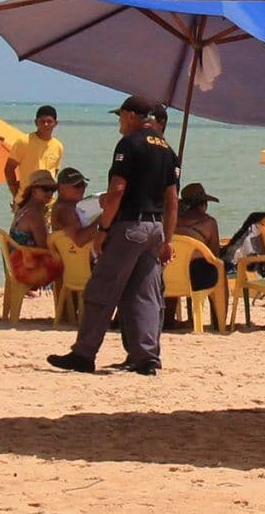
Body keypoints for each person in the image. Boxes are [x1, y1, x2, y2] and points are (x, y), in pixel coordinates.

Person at [46, 96, 178, 376]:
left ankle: (84, 353)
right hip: (155, 228)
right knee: (144, 295)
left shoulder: (129, 144)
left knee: (101, 289)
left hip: (129, 225)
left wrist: (104, 229)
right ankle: (146, 357)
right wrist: (168, 239)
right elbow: (172, 201)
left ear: (131, 116)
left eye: (120, 116)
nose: (119, 122)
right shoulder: (167, 149)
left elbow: (117, 190)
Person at [4, 170, 65, 290]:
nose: (50, 193)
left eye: (53, 189)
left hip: (16, 265)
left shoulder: (22, 208)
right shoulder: (35, 214)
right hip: (27, 269)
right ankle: (65, 299)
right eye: (45, 189)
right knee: (68, 263)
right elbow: (44, 246)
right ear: (34, 190)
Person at [6, 105, 62, 202]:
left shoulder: (58, 146)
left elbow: (54, 172)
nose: (46, 124)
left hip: (48, 201)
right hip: (25, 200)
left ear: (55, 123)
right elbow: (9, 169)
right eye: (42, 121)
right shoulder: (24, 141)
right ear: (36, 122)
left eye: (49, 121)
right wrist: (15, 194)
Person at [177, 183, 225, 296]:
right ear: (203, 204)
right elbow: (215, 254)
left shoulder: (173, 222)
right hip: (199, 279)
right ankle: (217, 308)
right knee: (220, 269)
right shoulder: (209, 222)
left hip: (174, 276)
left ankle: (170, 308)